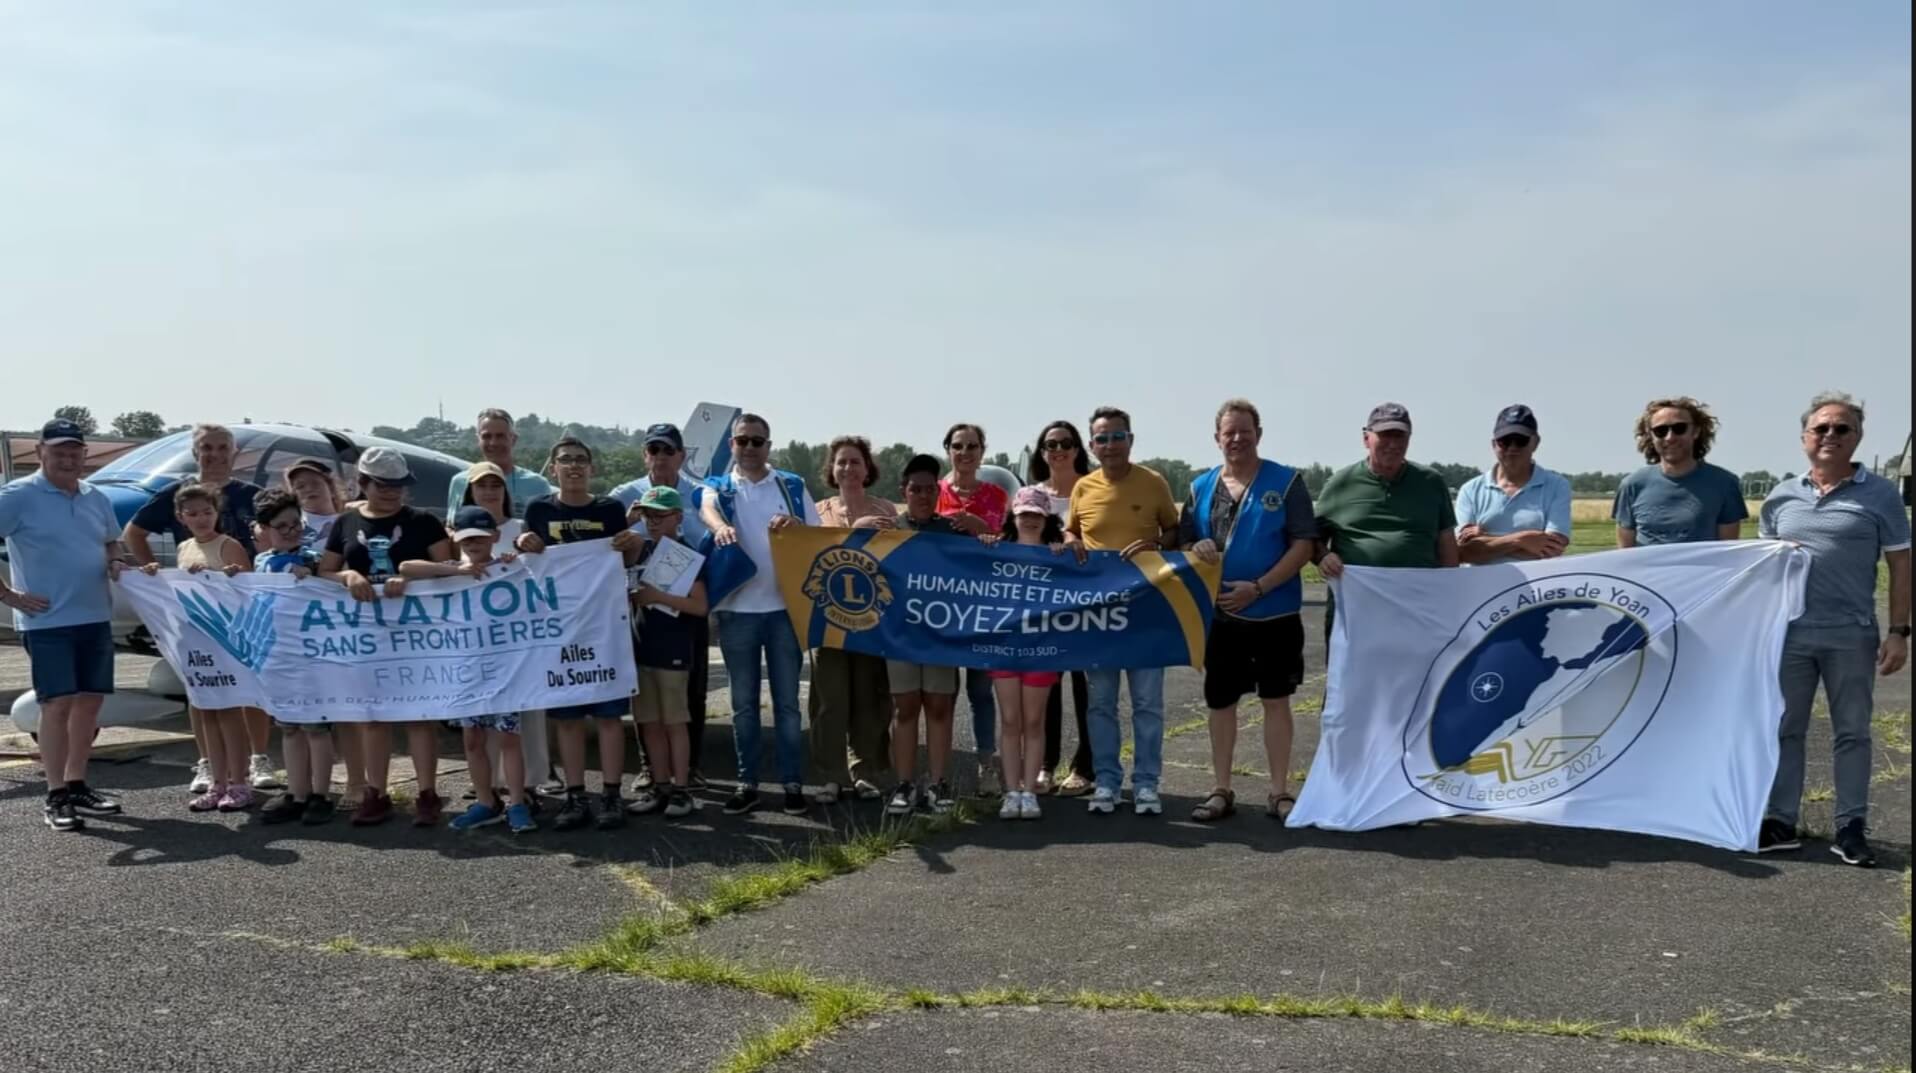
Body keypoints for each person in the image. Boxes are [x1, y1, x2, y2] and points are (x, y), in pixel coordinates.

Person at [1758, 393, 1911, 868]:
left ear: (1857, 438)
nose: (1830, 436)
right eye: (1821, 428)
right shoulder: (1781, 496)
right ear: (1805, 437)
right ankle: (1781, 820)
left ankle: (1850, 826)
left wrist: (1899, 631)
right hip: (1790, 636)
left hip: (1851, 633)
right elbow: (1763, 570)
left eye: (1841, 429)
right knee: (1785, 729)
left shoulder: (1881, 495)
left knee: (1852, 733)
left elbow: (1901, 564)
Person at [123, 423, 275, 795]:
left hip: (243, 608)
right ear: (195, 452)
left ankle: (258, 758)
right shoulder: (177, 493)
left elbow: (279, 536)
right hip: (195, 610)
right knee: (199, 684)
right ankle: (208, 762)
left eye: (223, 447)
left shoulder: (253, 496)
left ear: (234, 453)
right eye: (206, 447)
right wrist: (154, 579)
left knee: (250, 685)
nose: (215, 454)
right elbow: (133, 532)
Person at [1184, 399, 1317, 823]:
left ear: (1258, 434)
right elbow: (1184, 544)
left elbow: (1303, 545)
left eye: (1245, 430)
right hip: (1220, 618)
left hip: (1274, 614)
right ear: (1217, 438)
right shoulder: (1200, 486)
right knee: (1221, 704)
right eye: (1229, 432)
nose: (1237, 439)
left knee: (1276, 701)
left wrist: (1258, 588)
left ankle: (1279, 792)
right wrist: (1194, 547)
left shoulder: (1287, 481)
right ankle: (1221, 788)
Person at [0, 419, 128, 832]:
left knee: (90, 703)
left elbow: (112, 540)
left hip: (95, 615)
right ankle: (55, 794)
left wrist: (115, 559)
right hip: (46, 621)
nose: (68, 458)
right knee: (56, 705)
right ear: (40, 452)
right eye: (58, 451)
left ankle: (76, 783)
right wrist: (8, 595)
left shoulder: (96, 496)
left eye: (75, 451)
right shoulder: (17, 496)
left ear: (84, 455)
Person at [318, 447, 454, 827]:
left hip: (418, 632)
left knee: (418, 713)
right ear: (363, 484)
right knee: (374, 715)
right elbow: (324, 571)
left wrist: (412, 576)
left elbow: (448, 568)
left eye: (398, 485)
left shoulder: (424, 521)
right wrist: (347, 575)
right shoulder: (344, 522)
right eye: (383, 485)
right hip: (367, 633)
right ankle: (374, 792)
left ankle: (427, 793)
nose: (392, 492)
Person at [517, 437, 644, 831]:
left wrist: (633, 544)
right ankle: (575, 795)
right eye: (565, 460)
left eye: (580, 460)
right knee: (567, 718)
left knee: (608, 717)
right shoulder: (539, 509)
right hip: (558, 632)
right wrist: (523, 543)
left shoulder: (608, 509)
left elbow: (625, 561)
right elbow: (526, 564)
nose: (573, 466)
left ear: (591, 468)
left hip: (604, 630)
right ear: (552, 469)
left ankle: (610, 794)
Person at [699, 412, 821, 817]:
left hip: (784, 609)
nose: (750, 447)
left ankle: (791, 783)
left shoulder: (790, 484)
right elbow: (708, 510)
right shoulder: (718, 485)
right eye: (742, 440)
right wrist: (719, 528)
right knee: (743, 705)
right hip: (737, 612)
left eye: (757, 441)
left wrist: (795, 523)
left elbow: (815, 532)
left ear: (769, 446)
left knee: (787, 704)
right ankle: (746, 781)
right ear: (732, 445)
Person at [1063, 406, 1181, 816]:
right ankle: (1107, 781)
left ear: (1130, 439)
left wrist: (1157, 546)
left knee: (1147, 702)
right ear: (1091, 445)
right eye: (1101, 439)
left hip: (1146, 609)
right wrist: (1069, 539)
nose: (1109, 445)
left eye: (1117, 437)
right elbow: (1071, 530)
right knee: (1100, 703)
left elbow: (1173, 530)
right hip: (1099, 613)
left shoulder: (1153, 483)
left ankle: (1147, 782)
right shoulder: (1083, 487)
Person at [402, 506, 537, 834]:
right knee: (473, 740)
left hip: (505, 671)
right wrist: (459, 571)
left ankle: (517, 803)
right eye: (466, 538)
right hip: (465, 673)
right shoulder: (449, 569)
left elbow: (538, 573)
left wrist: (513, 560)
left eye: (480, 537)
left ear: (493, 536)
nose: (474, 543)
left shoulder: (508, 567)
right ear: (454, 538)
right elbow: (406, 567)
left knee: (509, 739)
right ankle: (485, 802)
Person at [610, 423, 712, 788]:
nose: (660, 457)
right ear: (645, 454)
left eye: (668, 450)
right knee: (647, 707)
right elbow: (605, 547)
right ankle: (652, 771)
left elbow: (712, 541)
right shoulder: (625, 494)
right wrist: (629, 520)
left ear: (681, 456)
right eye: (654, 450)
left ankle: (687, 773)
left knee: (689, 695)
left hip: (683, 612)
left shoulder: (701, 494)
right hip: (639, 618)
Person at [1315, 402, 1459, 641]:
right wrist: (1322, 556)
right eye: (1385, 435)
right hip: (1356, 614)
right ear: (1366, 438)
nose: (1393, 444)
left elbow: (1446, 545)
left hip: (1417, 612)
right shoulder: (1340, 484)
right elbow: (1310, 537)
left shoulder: (1431, 482)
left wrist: (1451, 599)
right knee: (1354, 678)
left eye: (1400, 436)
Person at [158, 482, 257, 812]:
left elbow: (247, 587)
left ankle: (240, 781)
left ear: (217, 513)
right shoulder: (185, 547)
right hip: (195, 642)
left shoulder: (228, 544)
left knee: (229, 712)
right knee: (207, 713)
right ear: (181, 517)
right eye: (193, 513)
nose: (201, 519)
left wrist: (224, 575)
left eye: (207, 512)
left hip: (224, 639)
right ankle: (218, 781)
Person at [809, 435, 897, 803]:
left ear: (867, 468)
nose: (848, 468)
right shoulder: (816, 511)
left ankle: (866, 770)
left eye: (855, 462)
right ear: (832, 469)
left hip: (872, 620)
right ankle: (831, 775)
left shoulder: (888, 510)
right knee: (830, 699)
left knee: (869, 697)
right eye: (841, 462)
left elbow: (900, 558)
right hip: (827, 618)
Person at [457, 459, 551, 804]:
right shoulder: (460, 532)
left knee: (525, 717)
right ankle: (488, 784)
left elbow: (543, 564)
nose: (489, 491)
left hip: (520, 642)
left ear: (504, 491)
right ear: (472, 491)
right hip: (478, 644)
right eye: (482, 486)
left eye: (495, 485)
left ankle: (527, 783)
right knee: (481, 723)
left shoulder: (520, 527)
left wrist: (533, 547)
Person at [885, 454, 966, 816]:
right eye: (915, 489)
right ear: (904, 491)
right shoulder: (887, 532)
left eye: (929, 489)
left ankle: (937, 783)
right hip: (900, 636)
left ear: (938, 492)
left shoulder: (952, 533)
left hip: (940, 636)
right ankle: (903, 783)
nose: (922, 495)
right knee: (905, 709)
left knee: (938, 707)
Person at [251, 488, 337, 826]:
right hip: (277, 655)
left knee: (316, 727)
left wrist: (311, 576)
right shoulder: (260, 561)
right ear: (264, 529)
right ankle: (296, 792)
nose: (291, 531)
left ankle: (321, 793)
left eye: (295, 524)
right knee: (289, 728)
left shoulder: (313, 558)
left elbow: (330, 588)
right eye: (281, 526)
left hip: (310, 654)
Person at [626, 486, 708, 820]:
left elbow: (700, 606)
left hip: (674, 651)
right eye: (647, 515)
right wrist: (628, 520)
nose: (653, 521)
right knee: (649, 724)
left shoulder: (686, 553)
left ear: (678, 517)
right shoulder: (641, 549)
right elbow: (609, 546)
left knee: (675, 723)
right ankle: (660, 787)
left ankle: (681, 789)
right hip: (642, 648)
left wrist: (658, 597)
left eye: (660, 515)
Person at [937, 423, 1008, 796]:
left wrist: (978, 525)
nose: (965, 453)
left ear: (983, 451)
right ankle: (941, 767)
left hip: (983, 609)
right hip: (942, 609)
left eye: (972, 446)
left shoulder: (997, 495)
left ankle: (986, 765)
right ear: (947, 450)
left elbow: (1007, 543)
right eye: (958, 446)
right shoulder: (933, 493)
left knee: (981, 692)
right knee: (942, 694)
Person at [988, 486, 1066, 821]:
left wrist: (1065, 551)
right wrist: (985, 546)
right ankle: (1011, 791)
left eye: (1036, 514)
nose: (1030, 520)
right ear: (1014, 517)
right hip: (1004, 646)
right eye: (1024, 514)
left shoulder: (1057, 554)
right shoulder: (997, 551)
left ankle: (1030, 790)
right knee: (1009, 720)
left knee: (1034, 722)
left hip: (1042, 648)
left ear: (1046, 517)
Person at [1026, 419, 1095, 796]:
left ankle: (1086, 767)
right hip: (1043, 606)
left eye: (1066, 443)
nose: (1058, 450)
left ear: (1078, 448)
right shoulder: (1031, 494)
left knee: (1088, 689)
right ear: (1041, 452)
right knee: (1045, 688)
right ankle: (1045, 764)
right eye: (1050, 444)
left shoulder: (1094, 487)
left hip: (1088, 604)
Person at [1613, 396, 1748, 547]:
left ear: (1696, 431)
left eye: (1679, 429)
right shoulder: (1631, 485)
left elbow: (1727, 551)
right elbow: (1625, 554)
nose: (1670, 437)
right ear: (1650, 436)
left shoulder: (1724, 484)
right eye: (1660, 431)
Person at [1454, 405, 1573, 565]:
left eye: (1521, 441)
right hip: (1481, 588)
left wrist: (1485, 540)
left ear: (1535, 442)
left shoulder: (1557, 486)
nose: (1512, 448)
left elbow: (1552, 550)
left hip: (1537, 587)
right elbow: (1464, 552)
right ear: (1494, 444)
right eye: (1504, 441)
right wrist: (1522, 540)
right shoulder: (1470, 490)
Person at [445, 408, 553, 517]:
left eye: (500, 436)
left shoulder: (537, 485)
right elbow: (452, 525)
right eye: (487, 436)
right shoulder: (460, 482)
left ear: (513, 439)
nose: (493, 443)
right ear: (478, 440)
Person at [283, 457, 346, 554]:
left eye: (315, 483)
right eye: (300, 486)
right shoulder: (289, 527)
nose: (308, 489)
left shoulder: (348, 523)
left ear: (331, 489)